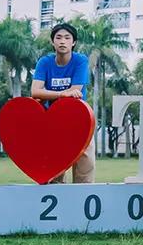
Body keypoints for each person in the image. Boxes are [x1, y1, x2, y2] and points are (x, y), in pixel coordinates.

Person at [30, 22, 95, 184]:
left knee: (84, 169)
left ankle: (82, 198)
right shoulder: (45, 62)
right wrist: (61, 94)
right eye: (58, 38)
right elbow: (35, 91)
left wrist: (49, 94)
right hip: (53, 121)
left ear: (73, 42)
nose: (62, 41)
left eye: (67, 38)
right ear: (52, 42)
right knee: (54, 172)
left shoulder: (80, 61)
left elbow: (75, 91)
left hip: (79, 120)